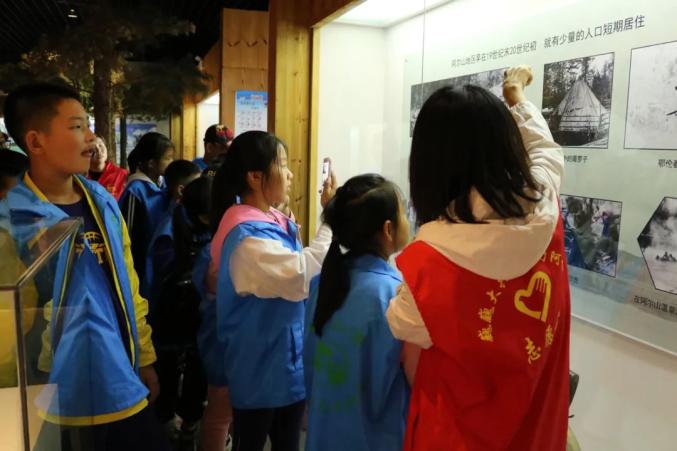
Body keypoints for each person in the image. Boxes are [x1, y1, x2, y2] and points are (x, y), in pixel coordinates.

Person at [386, 66, 570, 451]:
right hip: (537, 433)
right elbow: (546, 151)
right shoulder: (545, 206)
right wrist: (517, 97)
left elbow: (402, 328)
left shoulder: (429, 261)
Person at [1, 82, 167, 450]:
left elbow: (127, 283)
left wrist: (144, 356)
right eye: (77, 126)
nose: (91, 138)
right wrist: (10, 399)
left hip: (118, 375)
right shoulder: (11, 220)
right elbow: (8, 324)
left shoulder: (102, 200)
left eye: (88, 126)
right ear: (35, 142)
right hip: (54, 393)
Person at [208, 130, 335, 451]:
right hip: (260, 368)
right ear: (255, 177)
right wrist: (331, 221)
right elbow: (301, 274)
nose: (290, 174)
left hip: (282, 360)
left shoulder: (270, 218)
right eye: (282, 164)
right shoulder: (247, 237)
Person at [303, 174, 410, 451]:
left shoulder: (322, 284)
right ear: (388, 229)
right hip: (375, 440)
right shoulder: (395, 294)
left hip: (323, 437)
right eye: (403, 212)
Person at [150, 176, 212, 451]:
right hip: (169, 318)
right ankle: (165, 428)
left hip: (197, 317)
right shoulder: (169, 234)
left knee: (197, 375)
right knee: (167, 374)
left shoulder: (202, 225)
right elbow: (154, 284)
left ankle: (189, 426)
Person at [119, 132, 174, 287]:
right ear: (151, 163)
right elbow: (128, 235)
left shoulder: (164, 185)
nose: (172, 162)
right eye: (168, 158)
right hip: (140, 267)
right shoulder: (135, 190)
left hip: (157, 262)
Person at [144, 159, 201, 302]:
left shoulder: (187, 218)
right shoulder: (168, 231)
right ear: (181, 190)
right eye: (197, 185)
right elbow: (166, 282)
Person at [87, 135, 128, 200]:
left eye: (100, 145)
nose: (99, 151)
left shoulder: (122, 175)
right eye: (93, 148)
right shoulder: (80, 176)